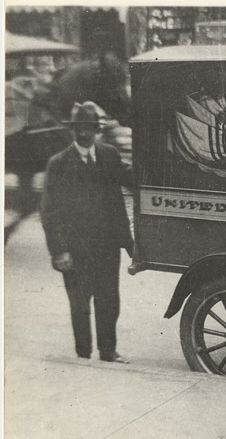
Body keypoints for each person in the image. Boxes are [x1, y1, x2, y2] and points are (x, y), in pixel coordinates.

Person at [40, 101, 133, 363]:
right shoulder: (58, 164)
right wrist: (60, 251)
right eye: (80, 128)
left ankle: (107, 351)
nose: (84, 133)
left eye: (89, 128)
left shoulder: (109, 155)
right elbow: (49, 212)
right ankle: (83, 354)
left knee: (109, 300)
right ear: (73, 130)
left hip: (107, 247)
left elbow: (130, 178)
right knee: (80, 304)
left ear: (96, 129)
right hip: (75, 249)